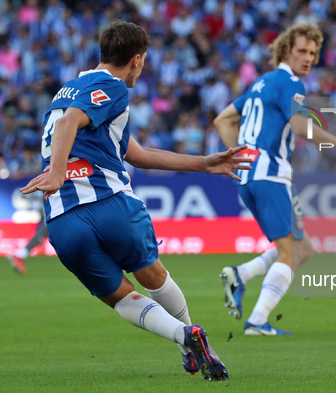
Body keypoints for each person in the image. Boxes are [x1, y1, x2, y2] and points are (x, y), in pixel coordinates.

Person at [20, 21, 252, 380]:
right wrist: (57, 172)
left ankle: (186, 341)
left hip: (64, 221)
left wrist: (203, 164)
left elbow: (135, 153)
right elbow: (69, 125)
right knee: (154, 276)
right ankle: (189, 337)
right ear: (137, 60)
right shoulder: (112, 86)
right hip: (111, 204)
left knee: (121, 297)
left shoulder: (67, 90)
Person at [213, 23, 336, 335]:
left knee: (302, 249)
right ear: (286, 50)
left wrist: (239, 156)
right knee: (290, 252)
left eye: (313, 53)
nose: (308, 58)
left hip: (251, 178)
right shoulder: (290, 82)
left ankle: (241, 274)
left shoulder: (261, 83)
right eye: (302, 51)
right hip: (272, 176)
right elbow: (301, 128)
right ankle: (257, 322)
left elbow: (222, 120)